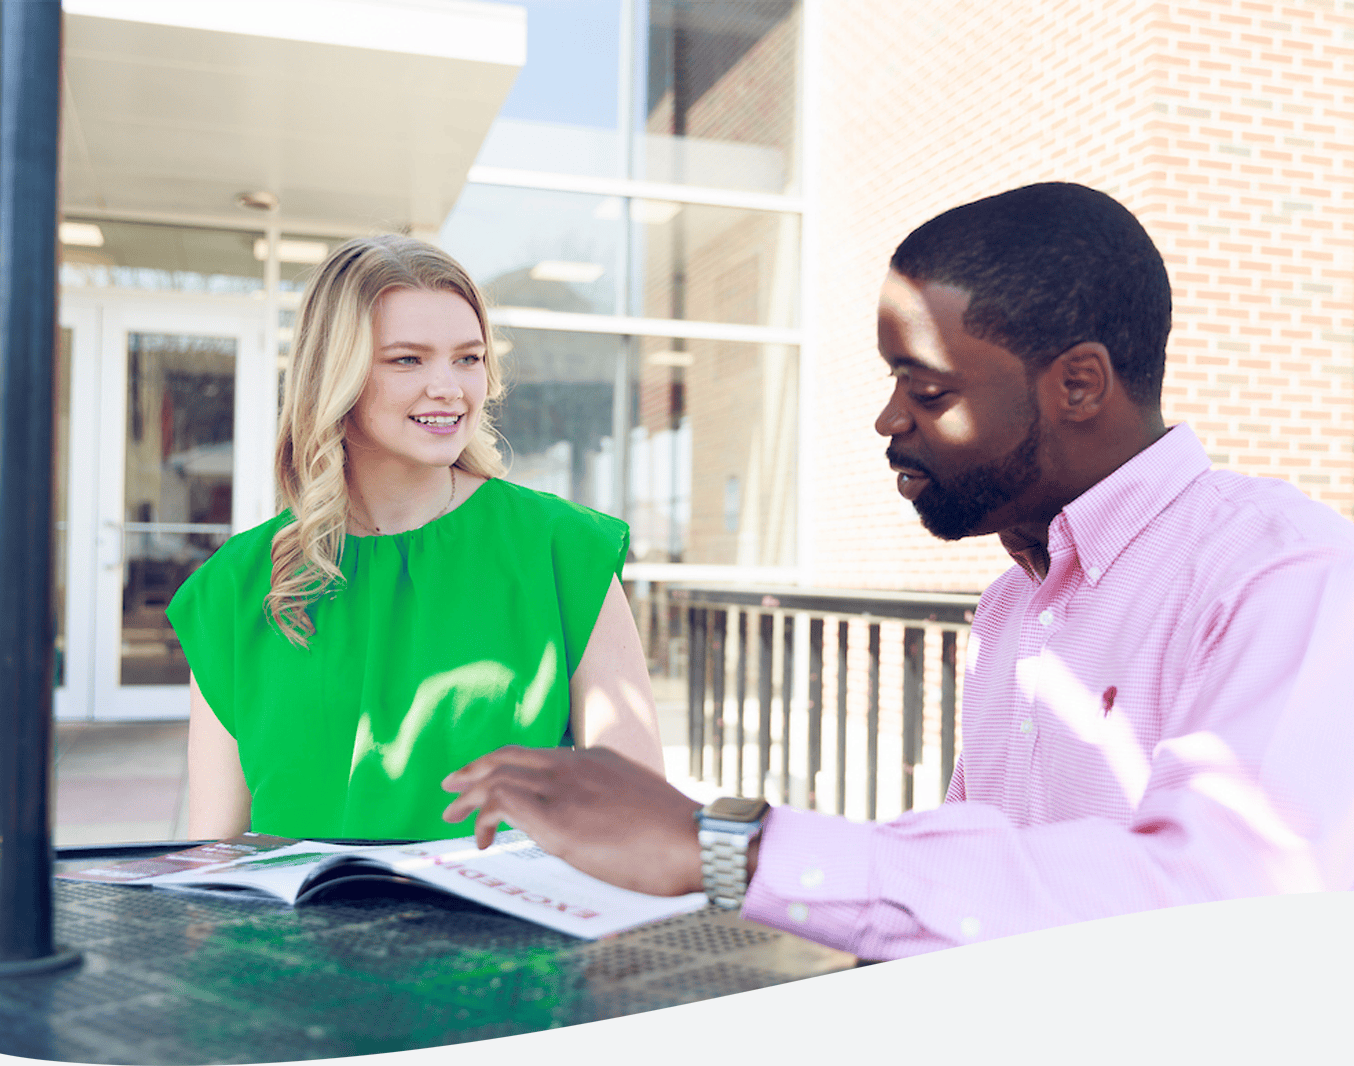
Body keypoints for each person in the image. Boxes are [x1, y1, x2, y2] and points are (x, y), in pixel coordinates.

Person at [440, 183, 1354, 960]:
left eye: (928, 391)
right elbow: (989, 895)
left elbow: (1225, 909)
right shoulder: (1014, 606)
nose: (888, 421)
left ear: (1078, 385)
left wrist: (730, 847)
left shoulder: (1282, 574)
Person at [168, 235, 664, 843]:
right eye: (408, 360)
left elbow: (638, 822)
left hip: (511, 934)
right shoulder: (234, 585)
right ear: (336, 376)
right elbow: (215, 853)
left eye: (469, 358)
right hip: (289, 938)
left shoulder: (564, 551)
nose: (449, 388)